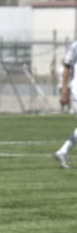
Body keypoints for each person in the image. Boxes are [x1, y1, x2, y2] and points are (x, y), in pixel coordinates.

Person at [54, 40, 77, 169]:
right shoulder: (75, 46)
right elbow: (67, 67)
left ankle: (63, 151)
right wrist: (64, 91)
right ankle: (63, 151)